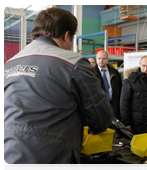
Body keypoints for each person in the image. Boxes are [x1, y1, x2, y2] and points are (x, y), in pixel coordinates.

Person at [4, 7, 114, 170]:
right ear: (67, 35)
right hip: (51, 159)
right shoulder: (73, 62)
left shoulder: (10, 63)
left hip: (7, 157)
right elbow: (101, 120)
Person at [93, 50, 122, 121]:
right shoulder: (91, 73)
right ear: (96, 59)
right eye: (99, 58)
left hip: (114, 107)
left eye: (103, 58)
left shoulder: (115, 72)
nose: (101, 60)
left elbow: (120, 89)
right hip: (99, 108)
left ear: (107, 59)